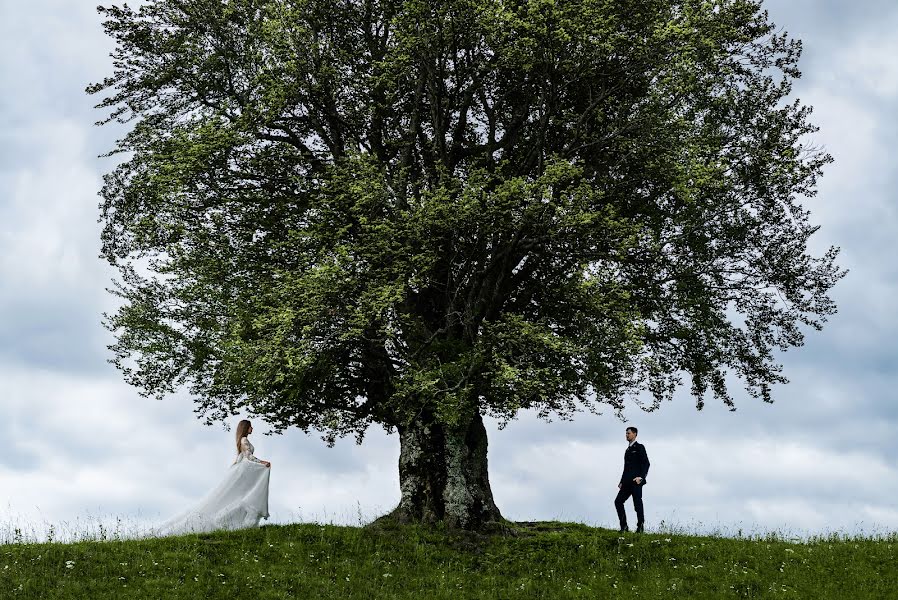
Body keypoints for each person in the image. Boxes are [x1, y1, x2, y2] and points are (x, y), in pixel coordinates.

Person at [153, 419, 272, 536]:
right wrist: (263, 462)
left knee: (239, 496)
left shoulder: (243, 440)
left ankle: (242, 521)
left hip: (244, 469)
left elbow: (243, 457)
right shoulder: (244, 439)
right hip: (244, 469)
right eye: (251, 426)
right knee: (239, 495)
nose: (252, 428)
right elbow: (248, 456)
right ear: (246, 427)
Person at [614, 426, 650, 533]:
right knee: (618, 502)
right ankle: (624, 527)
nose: (626, 435)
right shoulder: (627, 450)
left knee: (637, 504)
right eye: (626, 433)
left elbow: (646, 463)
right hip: (626, 482)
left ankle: (640, 527)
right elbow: (626, 467)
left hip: (636, 482)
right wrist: (621, 481)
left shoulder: (640, 447)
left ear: (634, 434)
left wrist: (642, 477)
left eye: (628, 433)